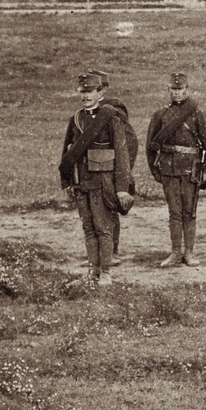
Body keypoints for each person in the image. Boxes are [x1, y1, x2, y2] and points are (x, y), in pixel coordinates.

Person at [59, 70, 134, 286]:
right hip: (82, 183)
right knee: (88, 228)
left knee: (103, 227)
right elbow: (67, 153)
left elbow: (121, 155)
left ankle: (106, 273)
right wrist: (66, 182)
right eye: (82, 92)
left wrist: (121, 188)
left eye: (90, 91)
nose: (85, 96)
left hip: (103, 183)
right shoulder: (75, 119)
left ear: (99, 92)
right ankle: (92, 272)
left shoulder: (110, 118)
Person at [145, 72, 206, 267]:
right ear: (168, 90)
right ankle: (175, 252)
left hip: (190, 170)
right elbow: (151, 145)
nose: (177, 93)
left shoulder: (196, 114)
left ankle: (189, 253)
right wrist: (155, 170)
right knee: (174, 212)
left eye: (180, 89)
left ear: (187, 90)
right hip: (168, 169)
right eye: (173, 89)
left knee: (189, 212)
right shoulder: (160, 114)